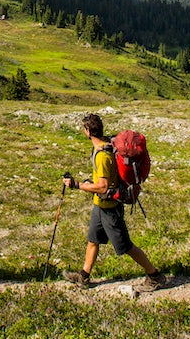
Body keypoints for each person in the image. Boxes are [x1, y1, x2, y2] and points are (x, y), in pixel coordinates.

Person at [62, 113, 167, 291]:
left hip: (109, 208)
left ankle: (155, 275)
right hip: (100, 205)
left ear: (88, 132)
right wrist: (90, 183)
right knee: (93, 240)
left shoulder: (102, 155)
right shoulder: (106, 146)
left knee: (126, 246)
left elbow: (103, 187)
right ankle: (84, 276)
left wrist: (77, 185)